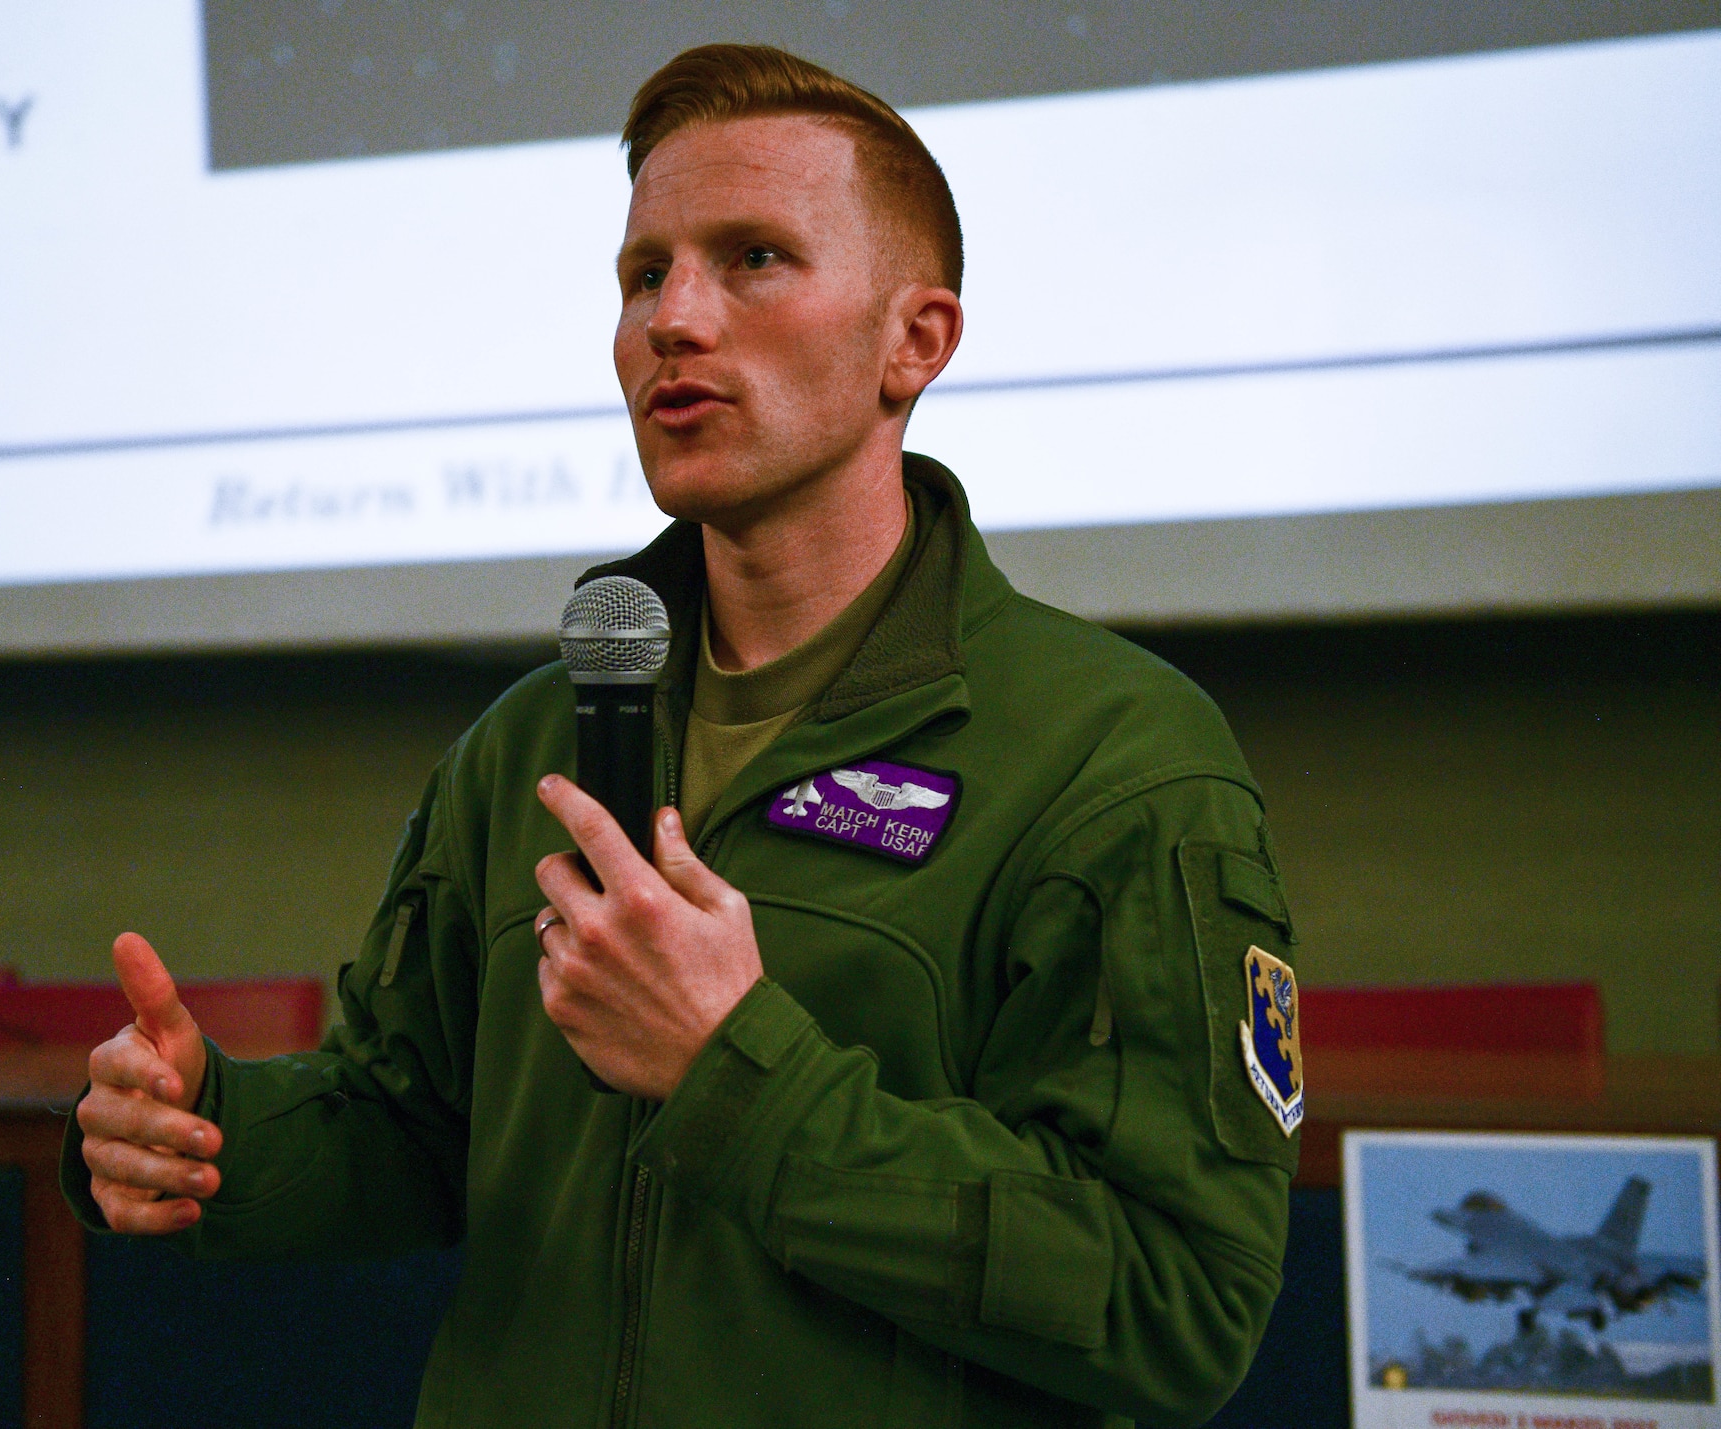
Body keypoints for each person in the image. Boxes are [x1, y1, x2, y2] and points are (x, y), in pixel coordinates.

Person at [63, 43, 1302, 1429]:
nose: (675, 318)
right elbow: (411, 1127)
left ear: (918, 341)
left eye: (754, 257)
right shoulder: (532, 735)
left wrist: (738, 1072)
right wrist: (205, 1132)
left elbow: (1178, 1304)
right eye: (644, 274)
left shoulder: (1112, 756)